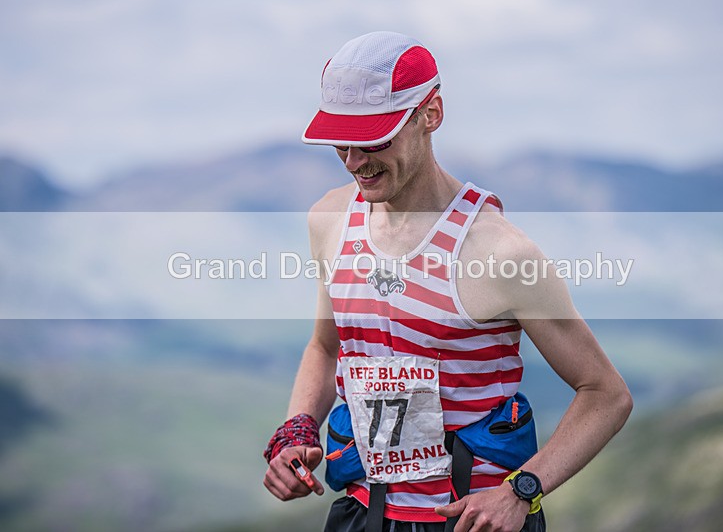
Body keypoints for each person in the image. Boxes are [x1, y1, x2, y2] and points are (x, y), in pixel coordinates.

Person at [262, 31, 633, 532]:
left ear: (430, 115)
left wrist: (521, 492)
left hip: (473, 520)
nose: (353, 162)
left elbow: (606, 394)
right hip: (361, 512)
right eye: (340, 142)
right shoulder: (329, 220)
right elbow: (327, 349)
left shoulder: (500, 252)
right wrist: (297, 428)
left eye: (373, 140)